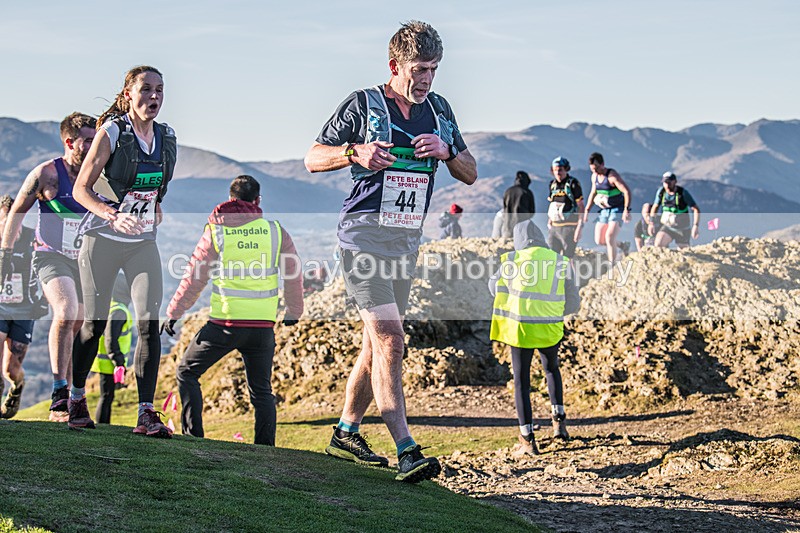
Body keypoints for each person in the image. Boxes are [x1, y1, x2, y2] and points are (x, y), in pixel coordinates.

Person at [304, 21, 477, 483]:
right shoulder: (363, 104)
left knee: (373, 345)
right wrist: (352, 153)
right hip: (362, 236)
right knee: (390, 338)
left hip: (405, 241)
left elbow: (470, 172)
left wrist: (445, 151)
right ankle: (406, 449)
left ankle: (345, 431)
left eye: (434, 70)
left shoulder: (439, 110)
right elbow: (312, 157)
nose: (426, 79)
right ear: (394, 65)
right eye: (419, 69)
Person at [69, 65, 177, 437]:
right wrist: (112, 215)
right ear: (128, 94)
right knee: (94, 325)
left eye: (160, 90)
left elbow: (156, 188)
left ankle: (146, 413)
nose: (154, 97)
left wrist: (153, 206)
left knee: (149, 321)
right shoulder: (112, 133)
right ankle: (76, 396)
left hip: (142, 242)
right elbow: (81, 189)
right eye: (146, 89)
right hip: (102, 239)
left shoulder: (166, 137)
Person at [163, 175, 304, 446]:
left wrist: (174, 312)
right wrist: (293, 311)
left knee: (187, 372)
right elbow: (293, 274)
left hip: (224, 326)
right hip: (262, 328)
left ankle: (194, 438)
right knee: (262, 391)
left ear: (230, 199)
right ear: (258, 200)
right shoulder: (276, 231)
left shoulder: (216, 231)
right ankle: (265, 449)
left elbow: (195, 277)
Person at [0, 112, 95, 421]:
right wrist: (5, 252)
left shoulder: (98, 174)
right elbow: (16, 212)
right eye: (88, 141)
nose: (95, 146)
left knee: (78, 322)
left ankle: (69, 400)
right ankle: (59, 391)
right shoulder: (47, 173)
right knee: (66, 313)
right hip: (50, 255)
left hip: (85, 260)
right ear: (70, 142)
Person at [489, 220, 581, 456]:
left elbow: (493, 287)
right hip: (550, 328)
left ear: (518, 241)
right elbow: (574, 301)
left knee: (521, 381)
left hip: (520, 330)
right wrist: (553, 311)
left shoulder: (510, 261)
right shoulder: (560, 261)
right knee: (552, 370)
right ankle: (559, 423)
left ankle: (528, 439)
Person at [0, 195, 48, 418]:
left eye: (14, 221)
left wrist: (44, 299)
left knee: (11, 368)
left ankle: (17, 386)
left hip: (25, 310)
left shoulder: (32, 238)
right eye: (4, 221)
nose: (9, 226)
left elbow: (47, 267)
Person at [90, 273, 132, 424]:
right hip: (110, 362)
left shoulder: (110, 306)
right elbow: (111, 339)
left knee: (107, 396)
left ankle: (104, 424)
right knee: (106, 396)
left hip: (105, 360)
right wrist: (118, 360)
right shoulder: (119, 311)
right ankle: (102, 425)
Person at [583, 152, 631, 263]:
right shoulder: (594, 177)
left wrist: (626, 210)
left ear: (602, 164)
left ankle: (612, 263)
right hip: (604, 210)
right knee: (599, 240)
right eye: (592, 169)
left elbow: (626, 191)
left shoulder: (612, 177)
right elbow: (593, 193)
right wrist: (587, 210)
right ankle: (622, 245)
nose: (595, 171)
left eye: (597, 168)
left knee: (609, 237)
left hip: (617, 209)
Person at [648, 172, 701, 249]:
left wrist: (695, 226)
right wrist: (651, 223)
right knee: (658, 244)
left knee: (684, 252)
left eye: (669, 182)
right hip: (668, 227)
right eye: (665, 182)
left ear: (675, 182)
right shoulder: (661, 193)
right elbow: (655, 207)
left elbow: (696, 209)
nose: (667, 185)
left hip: (683, 229)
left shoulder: (682, 193)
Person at [546, 157, 584, 257]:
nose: (558, 172)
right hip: (554, 227)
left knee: (568, 257)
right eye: (555, 170)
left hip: (569, 227)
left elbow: (581, 206)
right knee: (553, 257)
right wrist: (549, 222)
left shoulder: (573, 184)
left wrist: (579, 227)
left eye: (560, 169)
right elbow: (552, 203)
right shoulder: (552, 185)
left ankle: (570, 273)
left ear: (566, 169)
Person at [501, 171, 535, 238]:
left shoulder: (508, 191)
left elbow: (504, 207)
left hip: (507, 226)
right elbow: (532, 211)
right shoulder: (527, 192)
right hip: (522, 227)